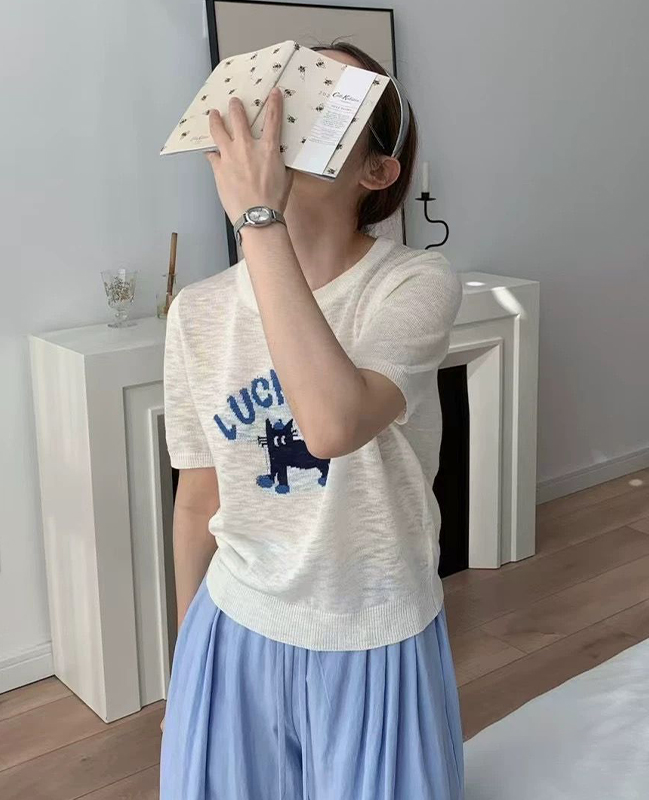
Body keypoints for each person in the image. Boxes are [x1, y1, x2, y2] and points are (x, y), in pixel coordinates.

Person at [159, 42, 464, 800]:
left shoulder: (414, 283)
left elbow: (332, 425)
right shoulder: (197, 311)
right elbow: (198, 500)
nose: (283, 114)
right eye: (280, 93)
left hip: (376, 629)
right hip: (234, 624)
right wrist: (187, 662)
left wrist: (257, 219)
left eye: (323, 98)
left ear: (377, 172)